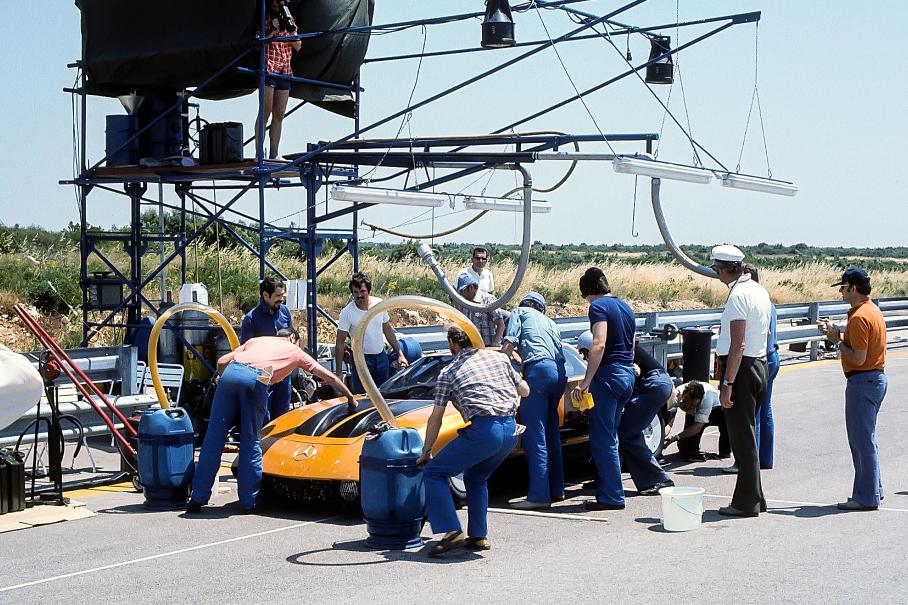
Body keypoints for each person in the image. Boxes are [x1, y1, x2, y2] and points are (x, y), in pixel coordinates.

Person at [188, 329, 355, 513]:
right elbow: (328, 376)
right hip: (256, 378)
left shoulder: (256, 339)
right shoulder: (294, 350)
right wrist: (349, 396)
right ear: (293, 338)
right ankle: (248, 501)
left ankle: (198, 497)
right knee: (250, 440)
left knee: (213, 438)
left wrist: (228, 383)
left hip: (230, 375)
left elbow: (221, 362)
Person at [417, 326, 527, 557]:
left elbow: (436, 416)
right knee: (476, 477)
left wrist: (426, 451)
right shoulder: (498, 358)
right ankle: (478, 536)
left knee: (434, 473)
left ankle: (451, 529)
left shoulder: (448, 372)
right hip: (510, 431)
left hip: (484, 430)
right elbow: (525, 390)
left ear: (454, 345)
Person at [817, 268, 888, 511]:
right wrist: (837, 333)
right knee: (866, 439)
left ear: (854, 289)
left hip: (863, 380)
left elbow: (858, 358)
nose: (841, 292)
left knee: (861, 441)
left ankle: (866, 497)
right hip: (873, 379)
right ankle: (873, 490)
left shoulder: (859, 317)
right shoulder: (871, 310)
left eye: (844, 287)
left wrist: (836, 339)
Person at [710, 245, 771, 518]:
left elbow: (737, 344)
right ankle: (756, 497)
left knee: (742, 439)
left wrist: (727, 384)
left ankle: (746, 502)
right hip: (759, 364)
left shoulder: (738, 297)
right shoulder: (759, 291)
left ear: (722, 269)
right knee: (748, 435)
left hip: (742, 369)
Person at [570, 267, 636, 511]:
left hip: (608, 376)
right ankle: (612, 488)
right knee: (612, 435)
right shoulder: (625, 306)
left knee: (602, 438)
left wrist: (586, 381)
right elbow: (632, 345)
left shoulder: (598, 307)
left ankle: (611, 496)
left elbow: (598, 344)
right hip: (627, 373)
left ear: (588, 292)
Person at [499, 292, 567, 509]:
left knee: (534, 434)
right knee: (551, 433)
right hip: (558, 373)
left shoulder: (519, 312)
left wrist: (497, 364)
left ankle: (538, 495)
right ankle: (557, 489)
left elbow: (509, 343)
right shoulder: (551, 323)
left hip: (538, 373)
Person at [334, 272, 408, 395]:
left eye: (362, 291)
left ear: (369, 290)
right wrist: (338, 372)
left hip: (380, 357)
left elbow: (387, 330)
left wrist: (400, 353)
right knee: (363, 396)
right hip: (361, 360)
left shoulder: (379, 305)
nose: (359, 296)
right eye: (356, 292)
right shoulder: (347, 312)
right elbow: (340, 342)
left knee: (384, 394)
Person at [619, 345, 674, 496]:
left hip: (653, 384)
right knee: (628, 430)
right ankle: (608, 477)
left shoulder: (619, 344)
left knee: (627, 433)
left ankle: (659, 479)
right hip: (659, 382)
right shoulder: (626, 339)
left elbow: (631, 372)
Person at [240, 276, 295, 421]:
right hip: (263, 377)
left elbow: (294, 336)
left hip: (283, 375)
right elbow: (246, 351)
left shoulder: (285, 312)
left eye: (282, 295)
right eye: (277, 296)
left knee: (282, 418)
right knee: (263, 417)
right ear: (265, 295)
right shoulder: (251, 319)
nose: (281, 299)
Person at [254, 0, 302, 160]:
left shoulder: (289, 18)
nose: (281, 4)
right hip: (269, 67)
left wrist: (293, 32)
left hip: (285, 70)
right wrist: (272, 31)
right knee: (265, 111)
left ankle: (274, 153)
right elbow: (257, 43)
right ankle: (259, 153)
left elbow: (298, 46)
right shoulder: (265, 17)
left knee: (279, 114)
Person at [748, 267, 779, 470]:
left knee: (753, 412)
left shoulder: (754, 303)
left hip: (761, 358)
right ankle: (765, 459)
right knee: (765, 409)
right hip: (773, 357)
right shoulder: (769, 304)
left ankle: (751, 460)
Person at [664, 380, 730, 460]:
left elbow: (697, 427)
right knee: (685, 449)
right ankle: (690, 447)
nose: (691, 407)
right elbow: (668, 412)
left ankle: (725, 450)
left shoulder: (706, 399)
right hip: (693, 414)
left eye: (693, 405)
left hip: (714, 411)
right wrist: (665, 430)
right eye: (687, 403)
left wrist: (676, 437)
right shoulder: (677, 394)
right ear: (684, 396)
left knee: (724, 416)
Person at [451, 272, 505, 347]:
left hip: (489, 347)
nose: (462, 295)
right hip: (475, 347)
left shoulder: (488, 300)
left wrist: (495, 343)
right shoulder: (465, 303)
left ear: (471, 287)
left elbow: (500, 324)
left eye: (462, 291)